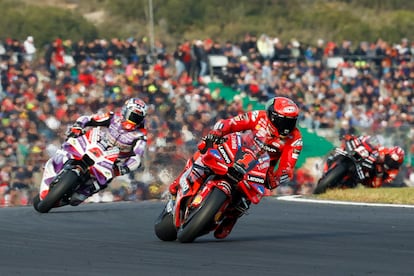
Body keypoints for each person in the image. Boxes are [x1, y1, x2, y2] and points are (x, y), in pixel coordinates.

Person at [168, 96, 303, 239]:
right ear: (272, 115)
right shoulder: (258, 116)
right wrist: (218, 132)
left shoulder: (296, 139)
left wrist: (275, 179)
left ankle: (232, 216)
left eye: (292, 121)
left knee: (251, 195)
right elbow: (230, 124)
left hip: (261, 166)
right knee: (205, 149)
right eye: (284, 120)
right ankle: (181, 179)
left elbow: (287, 168)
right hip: (238, 150)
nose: (287, 125)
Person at [39, 98, 148, 206]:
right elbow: (89, 118)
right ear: (125, 111)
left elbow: (137, 158)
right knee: (69, 145)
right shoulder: (114, 117)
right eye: (132, 116)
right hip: (97, 145)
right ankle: (55, 166)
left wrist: (124, 168)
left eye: (138, 118)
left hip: (114, 160)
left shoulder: (140, 135)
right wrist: (78, 127)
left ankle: (85, 192)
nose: (134, 121)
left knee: (101, 182)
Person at [339, 134, 405, 188]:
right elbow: (374, 146)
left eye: (394, 162)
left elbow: (383, 182)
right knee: (353, 140)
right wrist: (367, 142)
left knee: (374, 184)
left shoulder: (394, 171)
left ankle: (348, 183)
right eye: (390, 159)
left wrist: (380, 174)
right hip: (366, 159)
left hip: (370, 174)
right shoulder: (384, 150)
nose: (391, 162)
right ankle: (346, 146)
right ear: (388, 154)